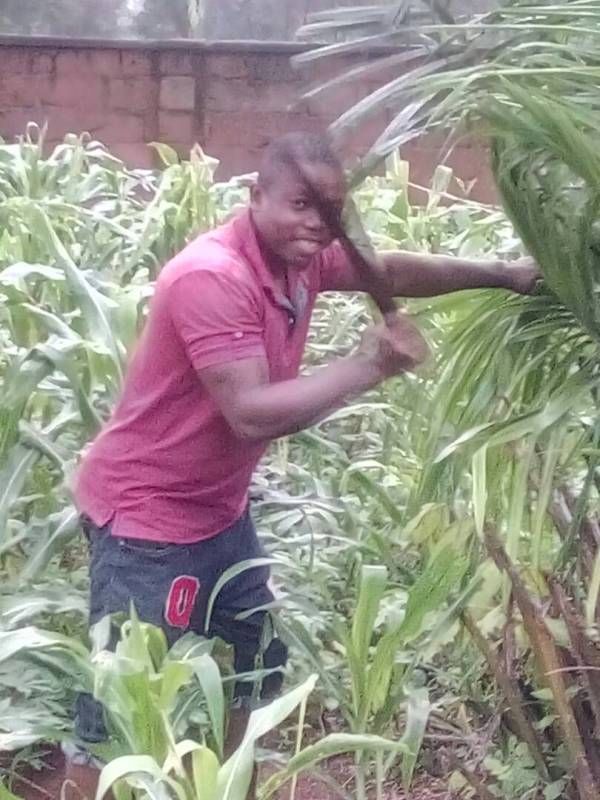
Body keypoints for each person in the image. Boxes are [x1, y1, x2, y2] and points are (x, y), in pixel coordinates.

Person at [65, 132, 538, 795]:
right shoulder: (214, 275)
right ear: (255, 197)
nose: (318, 224)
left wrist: (506, 274)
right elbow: (251, 411)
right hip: (148, 522)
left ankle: (230, 788)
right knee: (120, 706)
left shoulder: (300, 258)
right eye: (300, 204)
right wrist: (370, 365)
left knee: (257, 665)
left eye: (331, 210)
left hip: (219, 514)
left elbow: (389, 270)